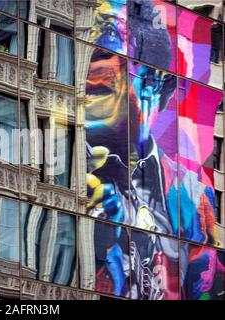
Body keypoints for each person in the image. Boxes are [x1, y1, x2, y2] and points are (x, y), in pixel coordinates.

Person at [83, 0, 221, 299]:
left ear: (153, 83)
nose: (87, 77)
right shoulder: (60, 169)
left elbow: (206, 290)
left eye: (102, 56)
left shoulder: (193, 198)